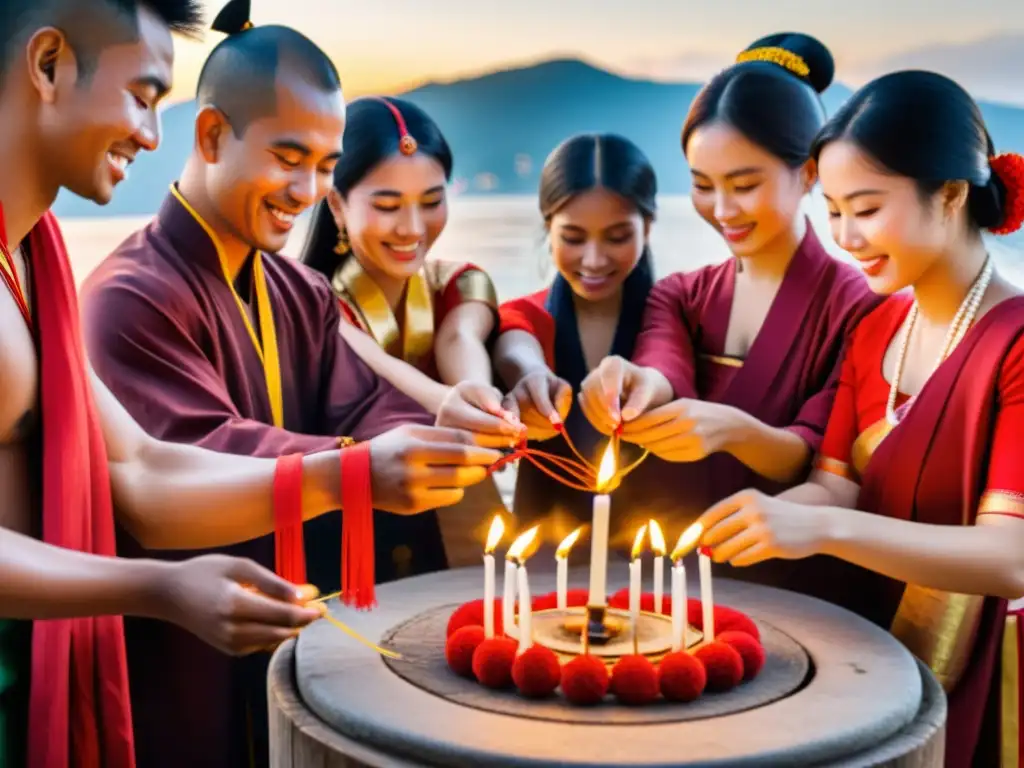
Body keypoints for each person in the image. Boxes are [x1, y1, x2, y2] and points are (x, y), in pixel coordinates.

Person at [0, 2, 499, 767]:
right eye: (141, 96)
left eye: (325, 169)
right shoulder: (127, 292)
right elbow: (175, 466)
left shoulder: (37, 263)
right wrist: (153, 588)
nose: (150, 134)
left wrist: (429, 435)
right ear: (47, 65)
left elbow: (144, 466)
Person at [694, 70, 1024, 767]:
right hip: (867, 644)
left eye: (867, 209)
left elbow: (1011, 556)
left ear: (952, 195)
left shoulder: (1014, 343)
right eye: (835, 209)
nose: (845, 235)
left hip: (979, 657)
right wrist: (770, 515)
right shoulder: (876, 326)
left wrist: (819, 526)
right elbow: (835, 483)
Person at [577, 34, 879, 536]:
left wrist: (736, 432)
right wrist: (633, 385)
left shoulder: (858, 305)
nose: (721, 210)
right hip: (662, 559)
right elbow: (664, 368)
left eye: (743, 186)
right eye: (702, 185)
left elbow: (825, 460)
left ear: (808, 174)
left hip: (790, 574)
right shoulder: (679, 294)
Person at [299, 95, 516, 564]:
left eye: (432, 202)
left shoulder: (459, 284)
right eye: (388, 205)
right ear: (336, 204)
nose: (412, 228)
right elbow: (373, 363)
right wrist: (447, 403)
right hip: (349, 545)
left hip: (461, 535)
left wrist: (478, 395)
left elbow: (460, 339)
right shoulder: (312, 307)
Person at [493, 133, 656, 545]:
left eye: (618, 237)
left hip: (655, 566)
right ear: (548, 228)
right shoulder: (523, 316)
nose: (595, 259)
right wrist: (529, 376)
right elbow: (516, 344)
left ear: (648, 227)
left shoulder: (676, 321)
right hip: (542, 565)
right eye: (573, 238)